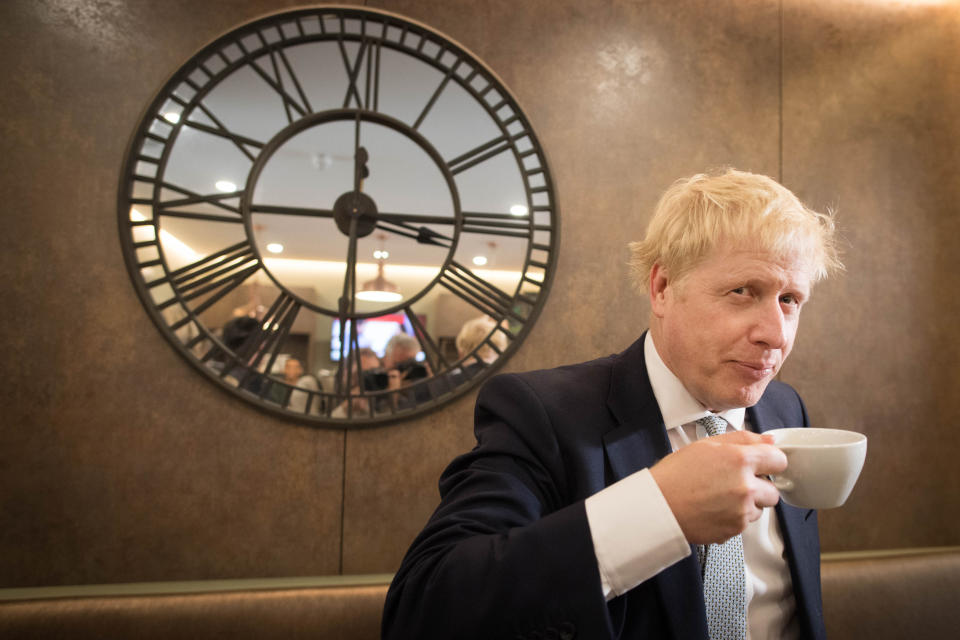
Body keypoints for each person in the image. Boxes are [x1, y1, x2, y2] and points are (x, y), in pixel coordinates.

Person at [382, 168, 843, 640]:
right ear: (662, 287)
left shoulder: (786, 410)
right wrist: (657, 510)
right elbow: (423, 611)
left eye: (789, 299)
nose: (776, 334)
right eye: (743, 291)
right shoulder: (543, 414)